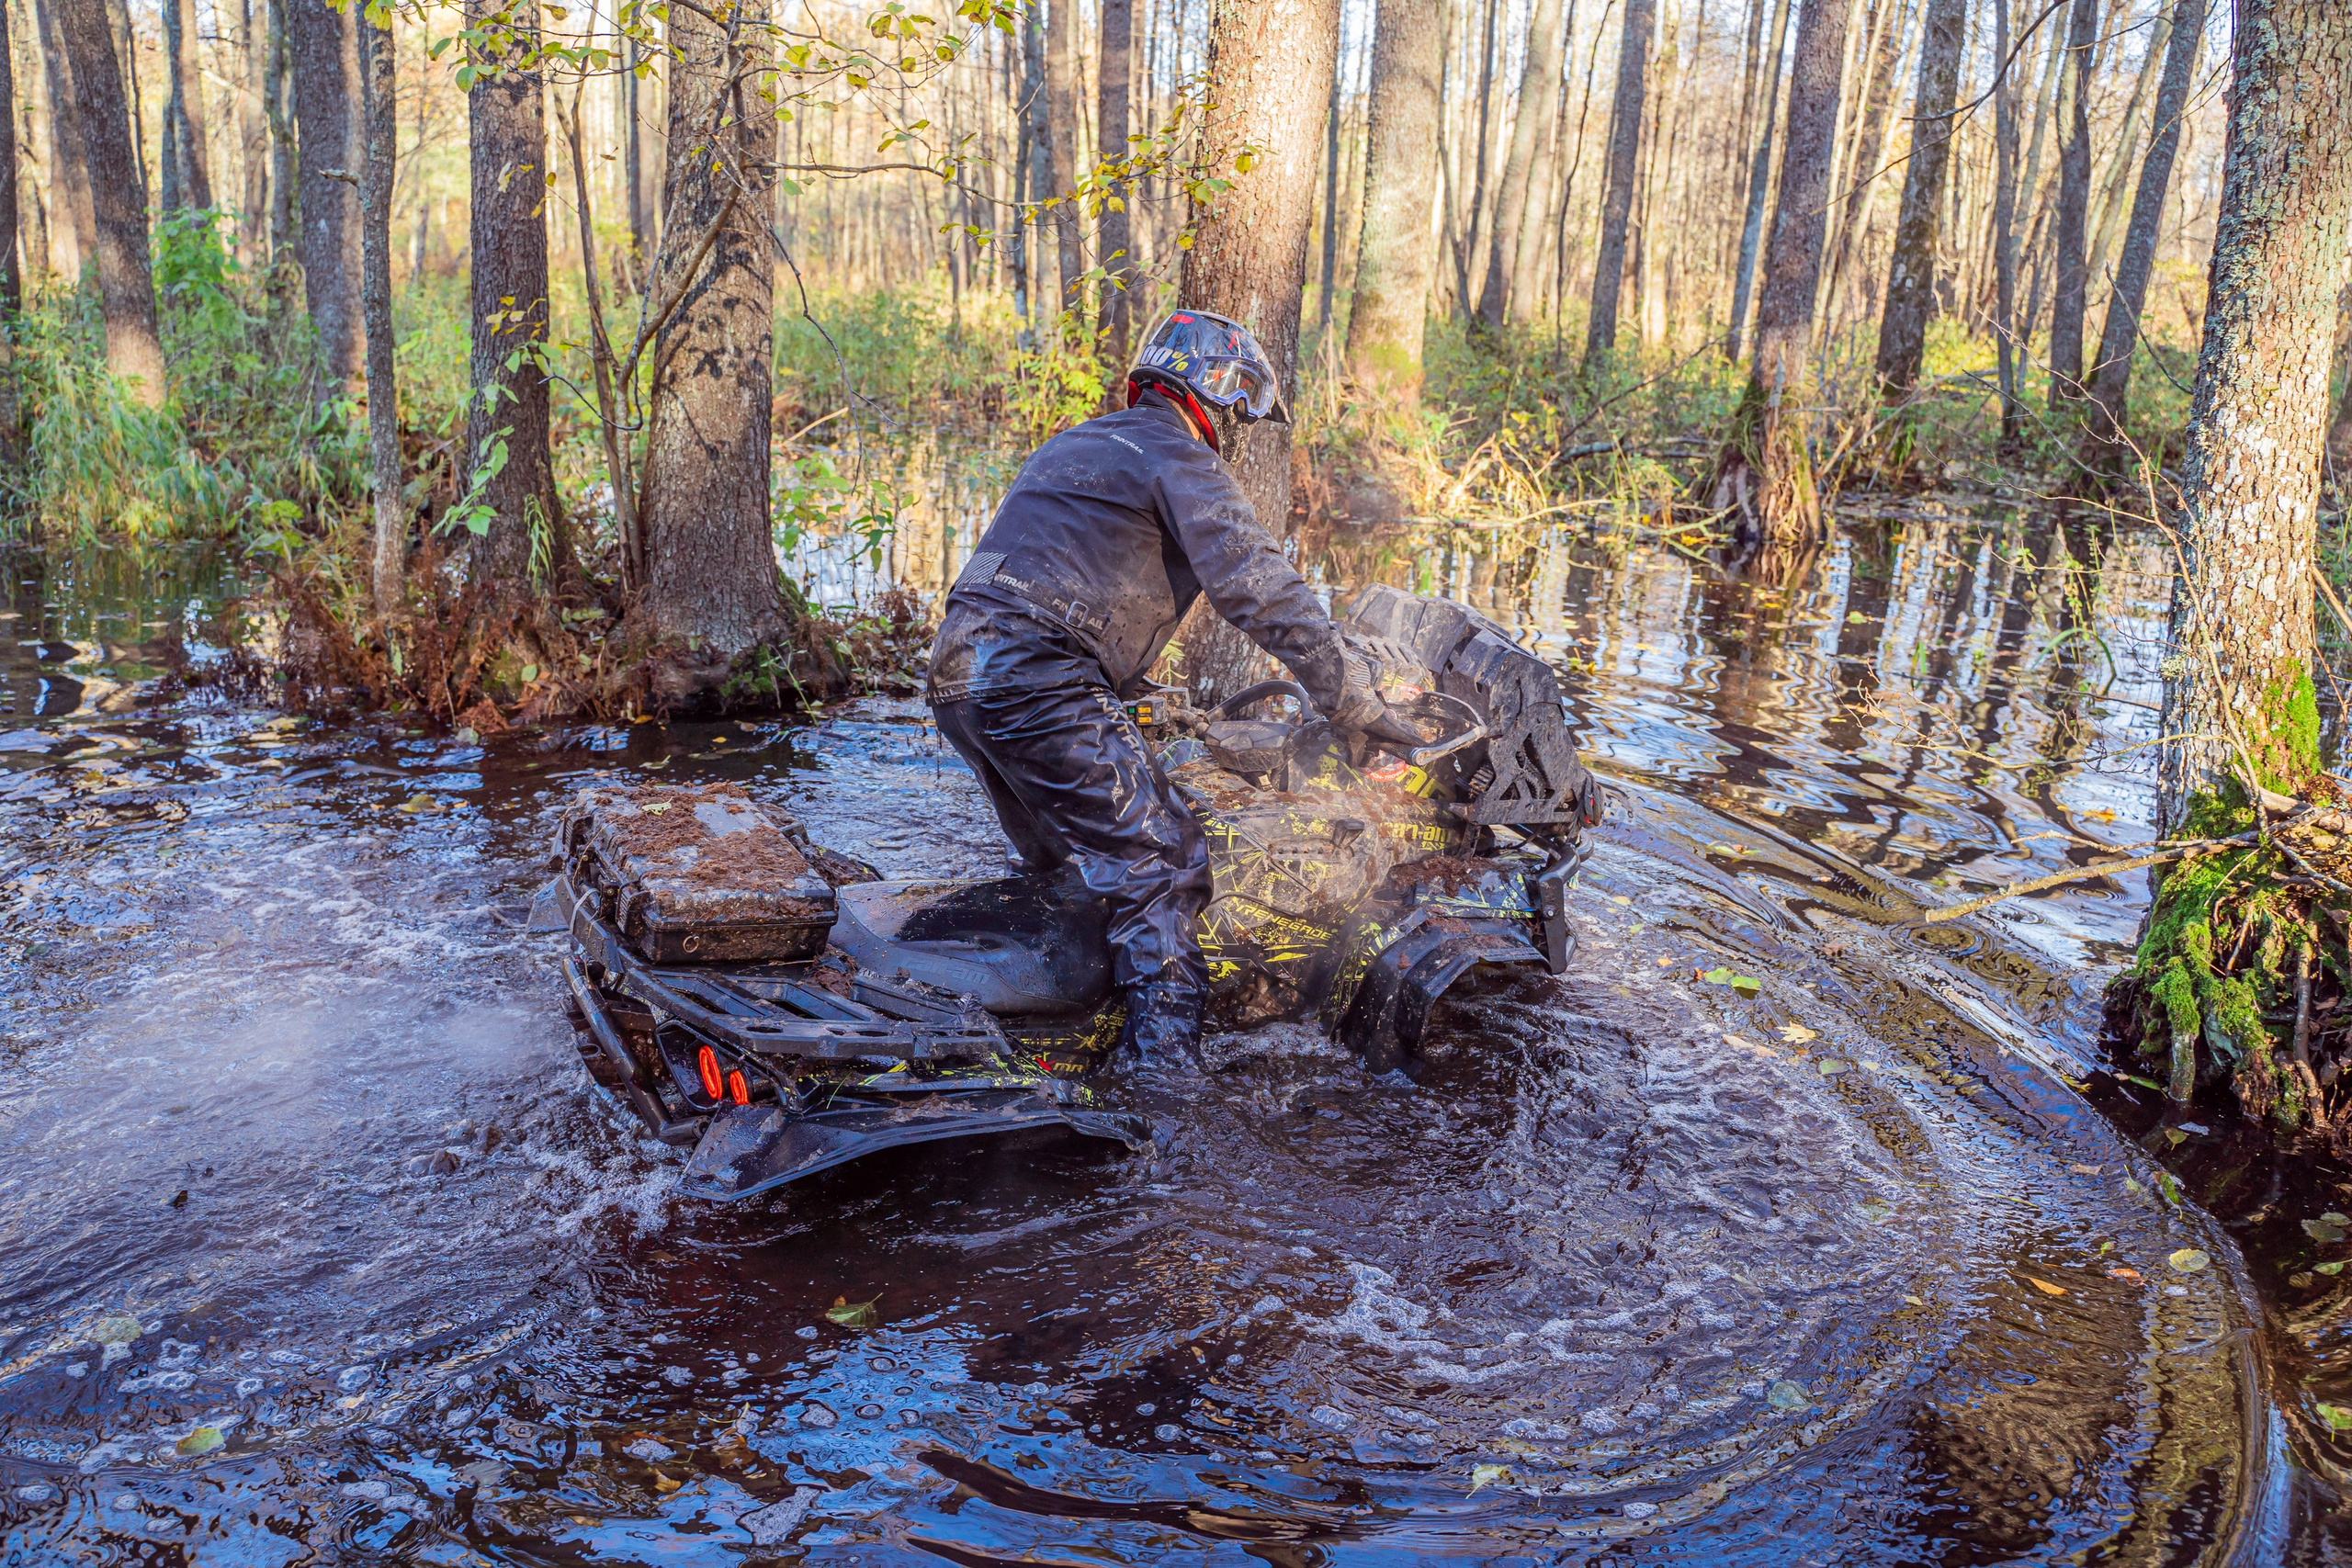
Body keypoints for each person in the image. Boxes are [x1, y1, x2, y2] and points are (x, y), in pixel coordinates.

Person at [926, 310, 1421, 1064]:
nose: (1234, 430)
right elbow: (1261, 587)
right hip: (1038, 677)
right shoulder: (1180, 458)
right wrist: (1352, 699)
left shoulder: (1076, 444)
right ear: (1215, 400)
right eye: (1235, 414)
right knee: (1161, 869)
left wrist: (1141, 694)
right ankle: (1165, 1093)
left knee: (1073, 867)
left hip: (960, 672)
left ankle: (1050, 1037)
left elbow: (1061, 574)